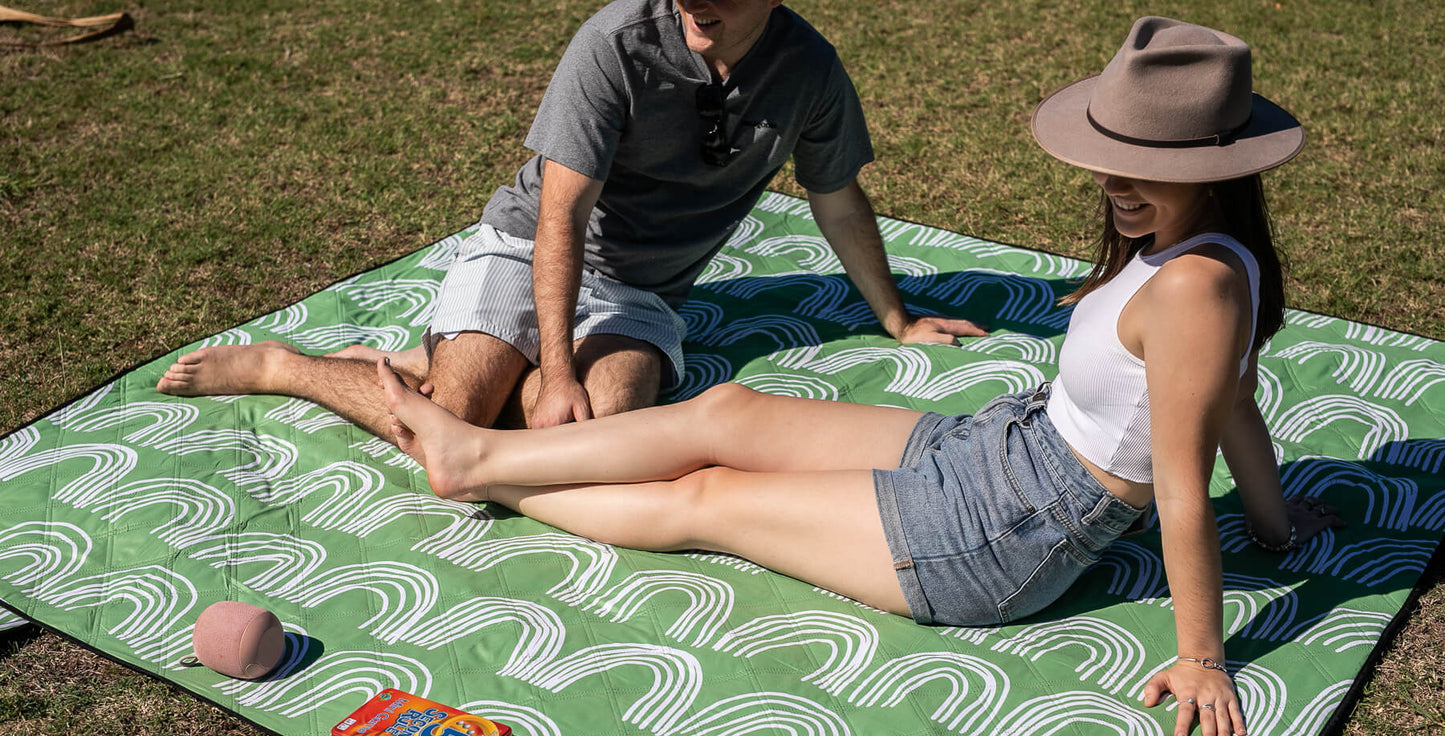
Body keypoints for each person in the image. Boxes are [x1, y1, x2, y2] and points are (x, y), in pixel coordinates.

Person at [373, 16, 1343, 736]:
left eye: (1143, 169)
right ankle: (480, 447)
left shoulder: (1199, 287)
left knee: (707, 499)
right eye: (1109, 165)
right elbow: (1236, 402)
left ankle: (484, 474)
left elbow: (1180, 484)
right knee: (721, 411)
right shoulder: (1201, 249)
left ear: (1215, 168)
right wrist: (1271, 525)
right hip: (1001, 448)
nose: (1116, 187)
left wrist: (1202, 657)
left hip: (1002, 538)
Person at [155, 0, 983, 432]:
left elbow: (836, 198)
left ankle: (444, 357)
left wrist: (896, 318)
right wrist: (555, 371)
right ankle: (284, 368)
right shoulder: (612, 44)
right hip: (529, 249)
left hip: (641, 294)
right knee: (453, 419)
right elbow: (559, 218)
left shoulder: (809, 69)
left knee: (599, 432)